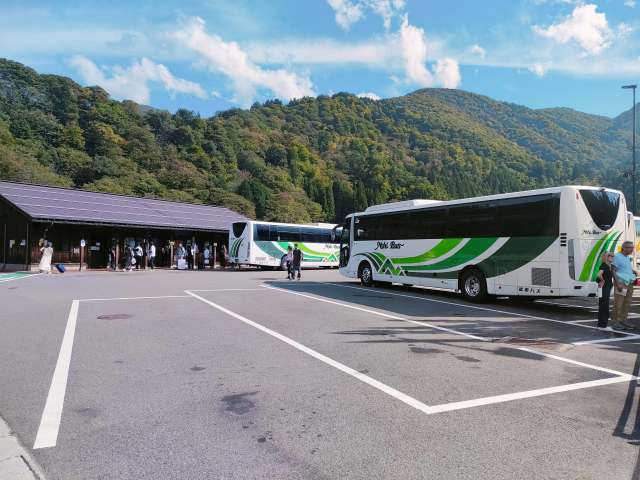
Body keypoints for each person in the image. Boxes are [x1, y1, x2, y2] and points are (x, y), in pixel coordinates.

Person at [611, 241, 637, 330]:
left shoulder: (627, 257)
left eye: (632, 247)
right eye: (630, 247)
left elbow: (623, 269)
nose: (632, 249)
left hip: (628, 282)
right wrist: (617, 283)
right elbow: (613, 270)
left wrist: (632, 271)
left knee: (627, 303)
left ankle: (622, 320)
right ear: (624, 248)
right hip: (621, 283)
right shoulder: (617, 257)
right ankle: (615, 322)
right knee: (618, 303)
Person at [596, 252, 614, 330]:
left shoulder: (609, 266)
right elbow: (598, 275)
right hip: (604, 288)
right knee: (604, 305)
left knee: (603, 305)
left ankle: (602, 325)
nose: (613, 257)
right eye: (611, 256)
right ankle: (602, 325)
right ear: (607, 257)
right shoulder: (604, 265)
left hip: (606, 287)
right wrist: (603, 280)